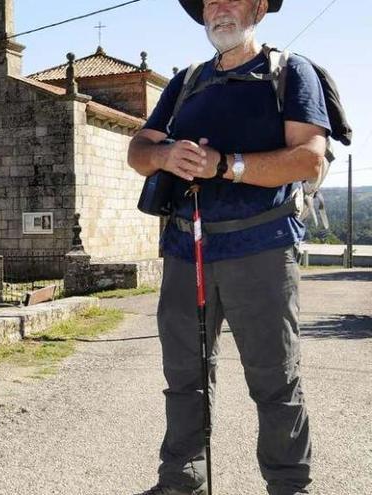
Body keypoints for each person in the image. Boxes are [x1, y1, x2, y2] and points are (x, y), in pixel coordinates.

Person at [127, 1, 329, 494]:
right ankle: (181, 480)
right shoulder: (187, 82)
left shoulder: (289, 73)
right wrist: (164, 154)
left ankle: (290, 486)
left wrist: (225, 165)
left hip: (260, 247)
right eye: (210, 1)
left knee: (274, 378)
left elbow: (308, 159)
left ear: (259, 6)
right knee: (183, 375)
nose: (219, 8)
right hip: (184, 249)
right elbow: (138, 151)